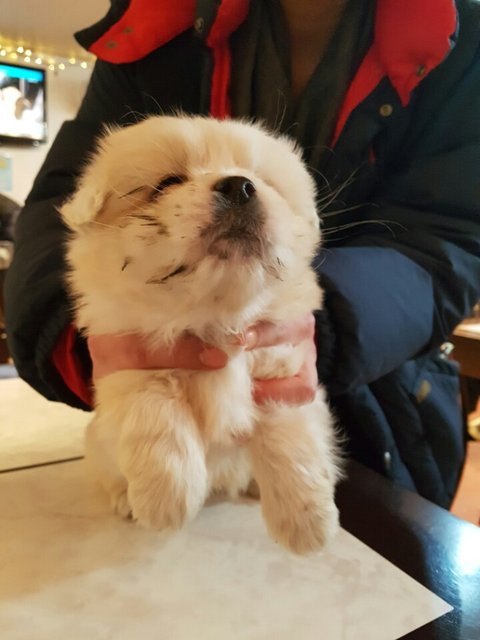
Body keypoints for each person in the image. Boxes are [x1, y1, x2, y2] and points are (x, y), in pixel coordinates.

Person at [5, 0, 480, 509]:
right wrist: (92, 342)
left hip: (383, 418)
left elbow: (449, 237)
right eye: (170, 182)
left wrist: (309, 328)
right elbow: (71, 206)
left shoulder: (462, 36)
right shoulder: (155, 15)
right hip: (147, 430)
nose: (236, 191)